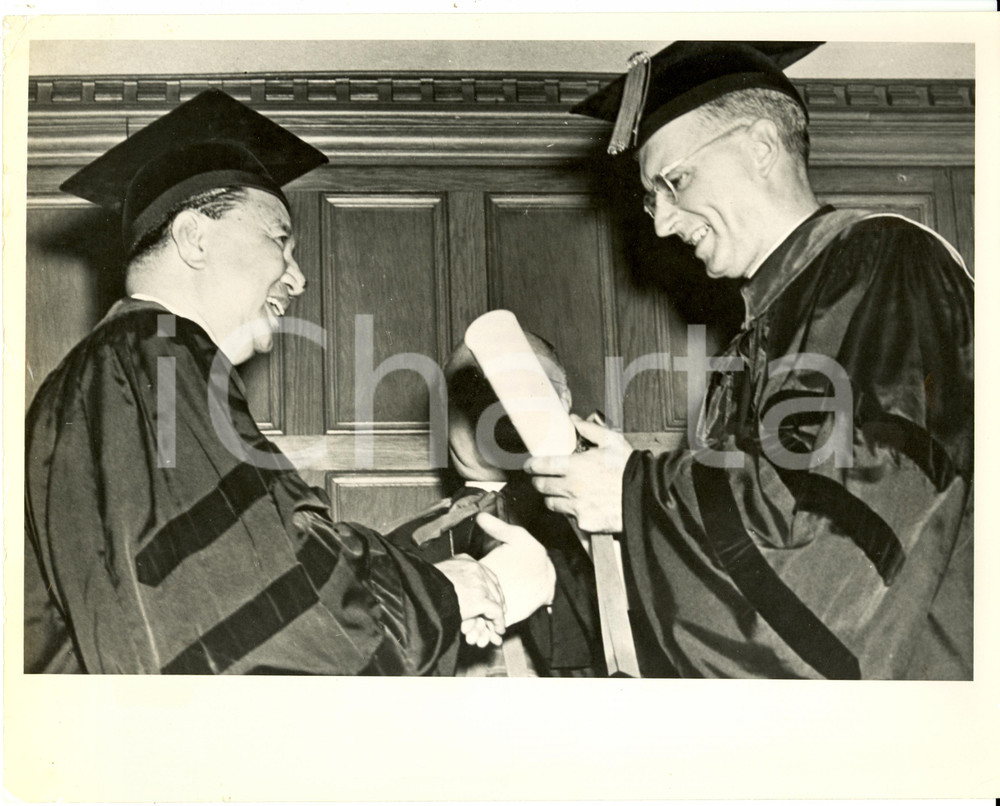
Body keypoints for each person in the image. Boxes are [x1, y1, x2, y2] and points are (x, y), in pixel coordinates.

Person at [24, 88, 553, 675]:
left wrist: (439, 587)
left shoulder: (132, 365)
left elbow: (267, 559)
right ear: (195, 238)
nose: (298, 279)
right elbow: (246, 612)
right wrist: (445, 595)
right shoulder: (151, 360)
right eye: (279, 241)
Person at [525, 41, 974, 679]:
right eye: (653, 199)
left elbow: (835, 542)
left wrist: (634, 493)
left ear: (761, 147)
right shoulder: (756, 336)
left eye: (673, 182)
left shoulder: (881, 265)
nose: (660, 225)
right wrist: (618, 507)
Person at [385, 335, 604, 677]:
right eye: (467, 390)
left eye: (515, 384)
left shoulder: (619, 527)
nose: (490, 406)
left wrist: (555, 589)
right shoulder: (397, 548)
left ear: (561, 400)